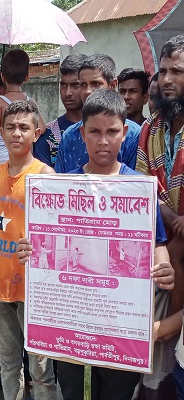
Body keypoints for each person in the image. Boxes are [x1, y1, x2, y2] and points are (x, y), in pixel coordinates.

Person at [19, 89, 174, 400]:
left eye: (112, 132)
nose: (103, 140)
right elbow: (41, 241)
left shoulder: (139, 191)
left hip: (119, 328)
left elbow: (157, 242)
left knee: (116, 393)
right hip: (72, 327)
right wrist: (30, 250)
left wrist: (164, 266)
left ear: (124, 132)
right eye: (95, 132)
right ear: (82, 133)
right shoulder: (63, 188)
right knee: (74, 392)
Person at [0, 100, 57, 400]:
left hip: (33, 289)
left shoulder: (44, 175)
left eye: (24, 127)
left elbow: (55, 237)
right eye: (10, 127)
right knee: (9, 363)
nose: (16, 133)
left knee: (40, 370)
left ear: (36, 133)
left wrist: (38, 247)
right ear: (1, 132)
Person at [137, 36, 184, 400]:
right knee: (157, 364)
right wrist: (167, 212)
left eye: (177, 71)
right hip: (159, 254)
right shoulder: (150, 129)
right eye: (164, 70)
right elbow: (140, 189)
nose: (167, 79)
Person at [55, 54, 141, 173]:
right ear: (83, 133)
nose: (88, 91)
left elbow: (137, 184)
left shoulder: (134, 134)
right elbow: (61, 184)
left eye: (95, 84)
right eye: (83, 85)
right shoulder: (69, 135)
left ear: (112, 85)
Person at [0, 49, 43, 163]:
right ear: (27, 77)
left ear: (2, 77)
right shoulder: (30, 102)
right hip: (23, 158)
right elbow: (43, 128)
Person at [35, 53, 87, 168]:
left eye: (75, 85)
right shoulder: (48, 135)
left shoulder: (104, 133)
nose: (67, 92)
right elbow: (44, 182)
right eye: (63, 85)